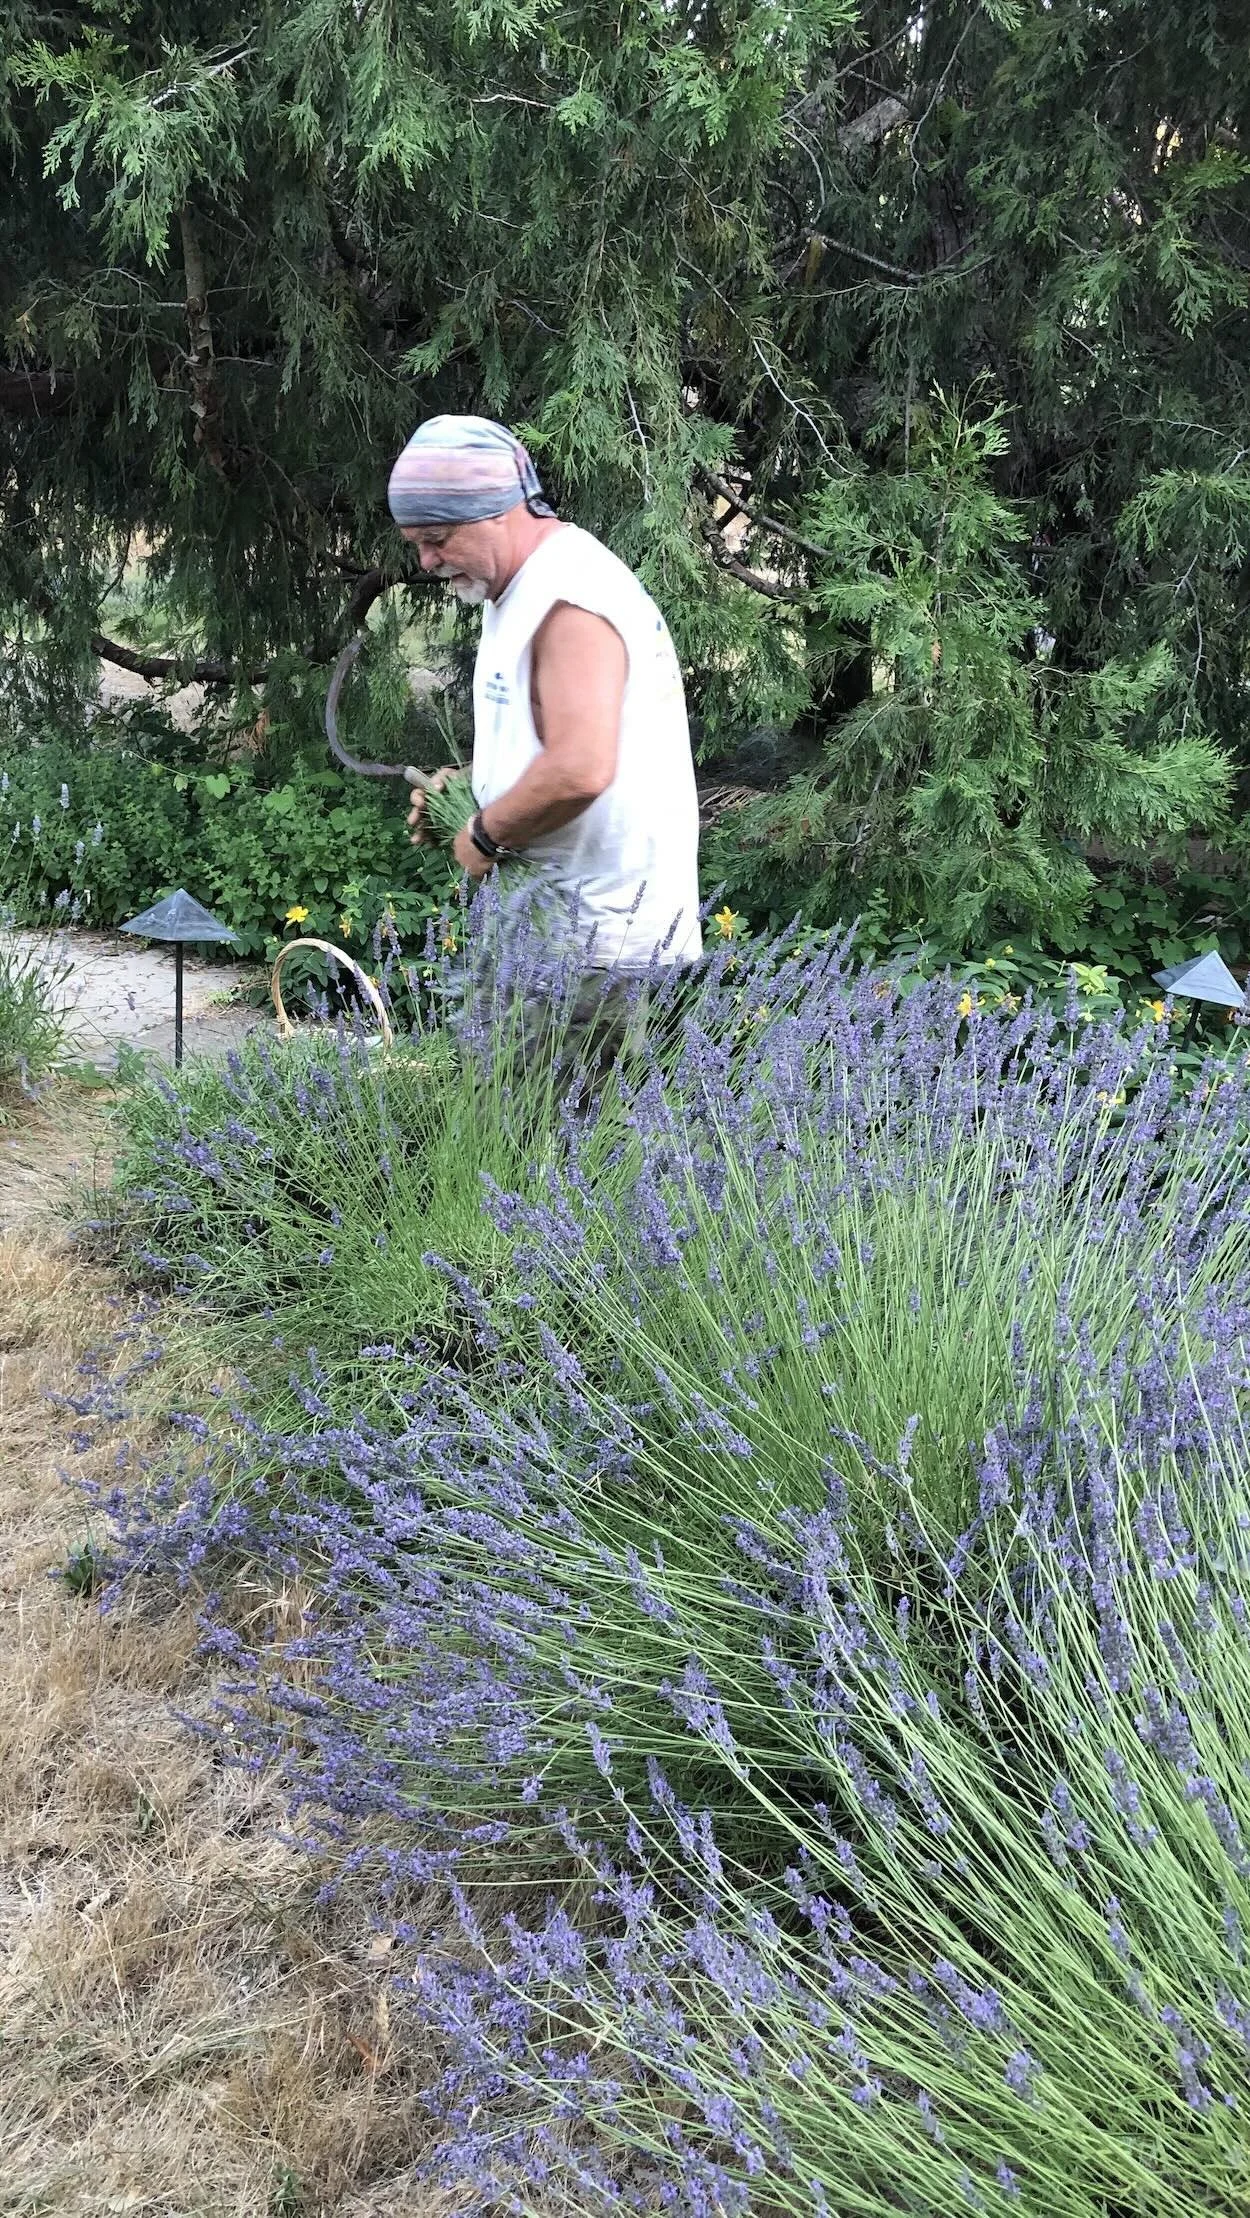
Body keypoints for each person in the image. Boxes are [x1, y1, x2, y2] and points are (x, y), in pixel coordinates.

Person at [386, 413, 701, 1080]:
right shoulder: (518, 590)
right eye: (417, 543)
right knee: (518, 1147)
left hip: (596, 946)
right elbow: (553, 740)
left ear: (496, 512)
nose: (426, 561)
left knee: (559, 1159)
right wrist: (473, 783)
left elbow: (581, 767)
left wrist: (484, 831)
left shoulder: (570, 598)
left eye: (437, 539)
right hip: (552, 932)